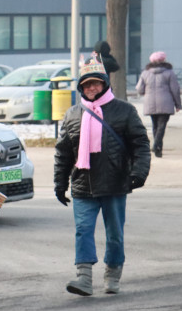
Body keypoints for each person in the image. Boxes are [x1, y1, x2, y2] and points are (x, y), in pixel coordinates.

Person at [54, 59, 151, 296]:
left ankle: (113, 273)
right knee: (83, 230)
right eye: (87, 85)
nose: (91, 89)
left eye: (96, 84)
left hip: (115, 182)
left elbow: (141, 145)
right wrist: (59, 183)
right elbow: (63, 152)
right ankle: (84, 278)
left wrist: (138, 173)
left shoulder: (125, 110)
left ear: (105, 84)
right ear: (81, 88)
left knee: (115, 234)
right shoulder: (72, 114)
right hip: (82, 183)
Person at [136, 51, 182, 158]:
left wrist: (145, 93)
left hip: (150, 102)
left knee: (155, 125)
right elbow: (175, 89)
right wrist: (178, 104)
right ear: (163, 60)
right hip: (165, 102)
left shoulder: (145, 73)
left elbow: (139, 88)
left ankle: (158, 150)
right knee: (161, 126)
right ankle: (156, 145)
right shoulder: (169, 72)